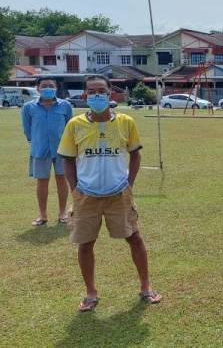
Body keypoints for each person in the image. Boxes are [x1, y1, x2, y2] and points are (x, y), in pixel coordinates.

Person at [58, 74, 161, 312]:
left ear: (109, 93)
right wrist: (75, 189)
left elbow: (135, 154)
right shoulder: (75, 124)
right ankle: (91, 293)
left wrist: (129, 184)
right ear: (85, 95)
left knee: (134, 238)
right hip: (86, 195)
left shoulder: (126, 121)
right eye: (92, 91)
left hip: (118, 194)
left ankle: (146, 287)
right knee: (85, 244)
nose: (96, 95)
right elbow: (68, 159)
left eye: (101, 91)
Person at [21, 77, 72, 226]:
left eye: (51, 85)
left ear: (56, 88)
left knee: (62, 180)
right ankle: (42, 215)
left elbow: (70, 127)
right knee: (42, 182)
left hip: (62, 150)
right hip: (40, 149)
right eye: (44, 86)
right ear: (38, 88)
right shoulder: (28, 107)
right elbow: (27, 129)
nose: (48, 88)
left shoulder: (65, 106)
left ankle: (62, 213)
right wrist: (37, 140)